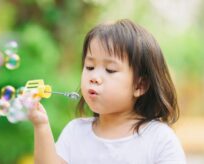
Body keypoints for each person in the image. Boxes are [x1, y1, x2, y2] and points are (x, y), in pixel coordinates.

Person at [28, 19, 186, 164]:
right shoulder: (75, 132)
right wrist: (41, 125)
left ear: (140, 85)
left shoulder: (159, 139)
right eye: (89, 67)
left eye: (110, 70)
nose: (94, 77)